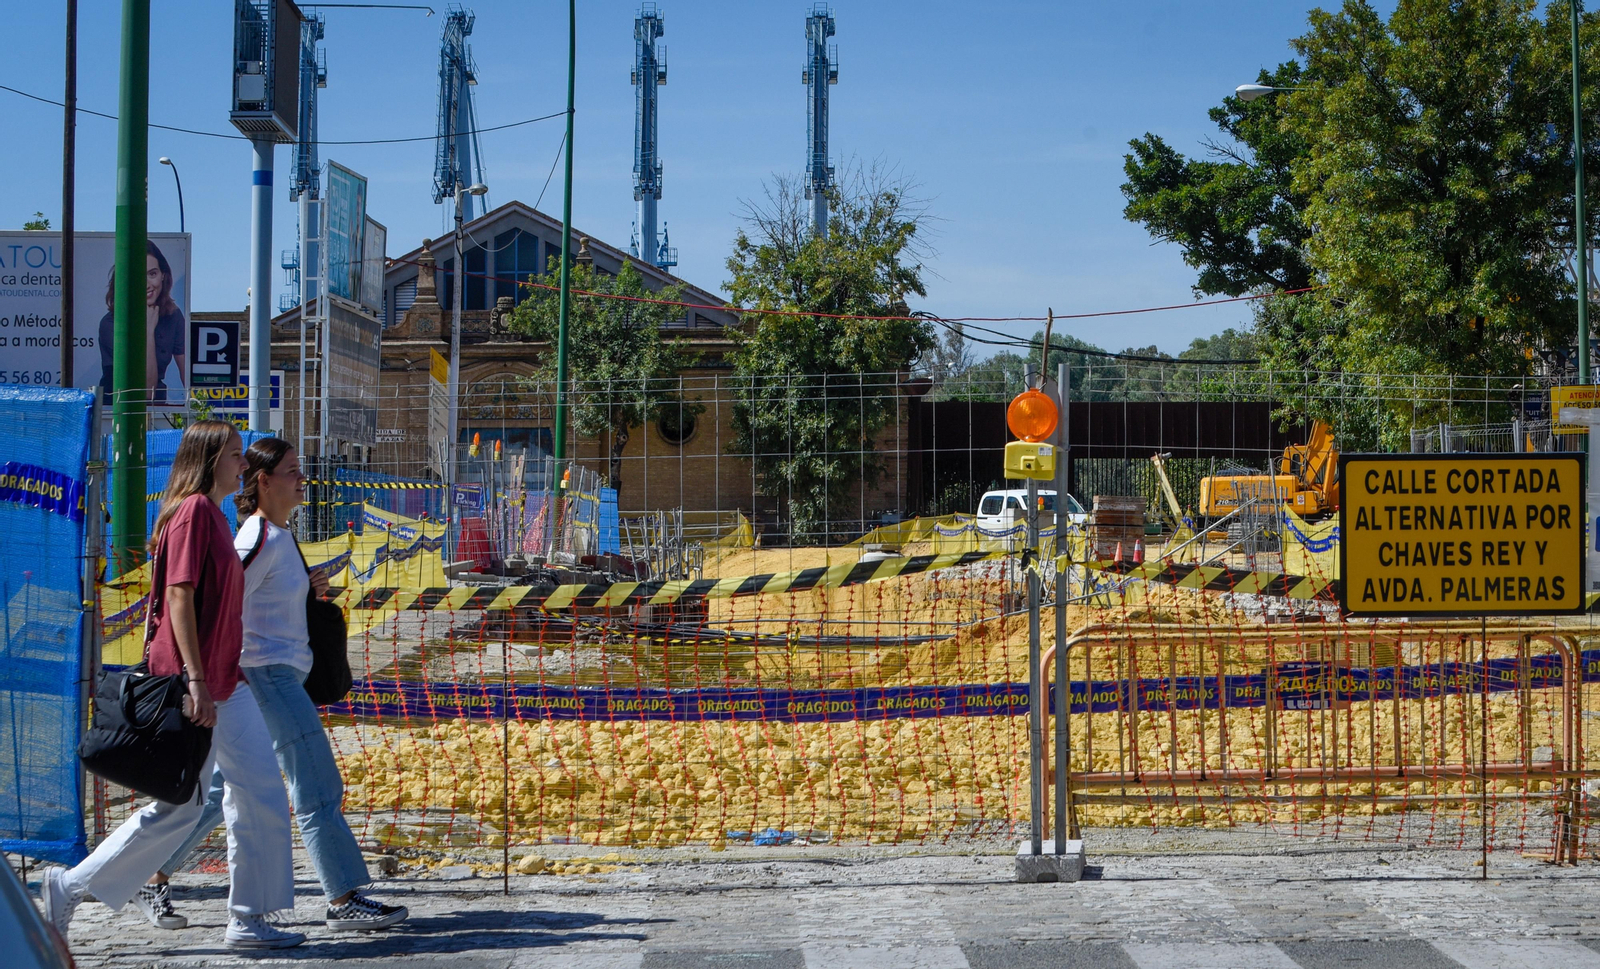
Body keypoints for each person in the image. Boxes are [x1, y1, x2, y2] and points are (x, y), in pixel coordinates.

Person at [39, 420, 305, 949]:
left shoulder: (212, 515)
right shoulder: (194, 512)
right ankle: (70, 885)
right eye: (234, 455)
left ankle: (248, 918)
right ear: (209, 460)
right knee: (182, 805)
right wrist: (196, 681)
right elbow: (178, 597)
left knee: (252, 793)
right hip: (197, 683)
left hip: (223, 680)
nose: (243, 465)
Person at [138, 438, 408, 933]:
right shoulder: (258, 537)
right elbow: (218, 599)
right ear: (264, 481)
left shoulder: (277, 536)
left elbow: (252, 596)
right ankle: (343, 896)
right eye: (292, 470)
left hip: (270, 675)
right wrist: (200, 674)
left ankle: (151, 872)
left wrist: (306, 589)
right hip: (267, 676)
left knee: (220, 791)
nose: (302, 479)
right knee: (316, 784)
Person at [98, 239, 187, 405]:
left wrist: (200, 409)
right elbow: (146, 391)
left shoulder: (173, 316)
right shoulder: (111, 324)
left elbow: (187, 373)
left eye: (152, 274)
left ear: (163, 276)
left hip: (157, 408)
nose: (146, 285)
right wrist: (148, 330)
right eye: (138, 276)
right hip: (118, 408)